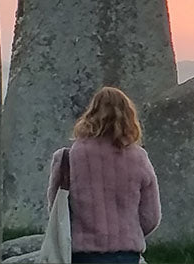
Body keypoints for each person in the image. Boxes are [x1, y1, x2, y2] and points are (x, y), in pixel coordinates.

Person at [47, 86, 160, 264]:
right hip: (126, 255)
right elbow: (151, 217)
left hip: (82, 255)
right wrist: (127, 231)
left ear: (90, 114)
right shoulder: (139, 158)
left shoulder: (67, 158)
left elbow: (56, 209)